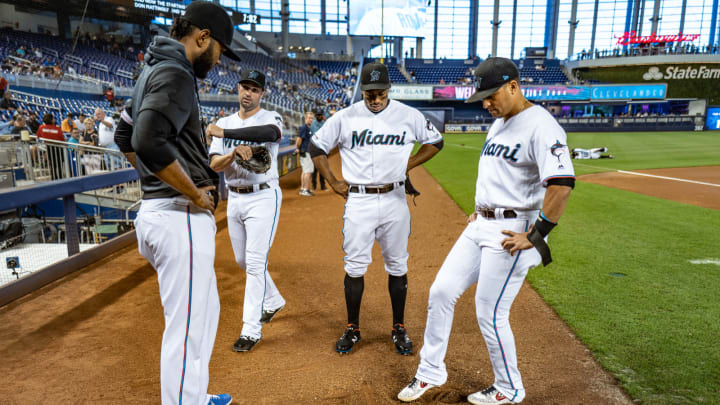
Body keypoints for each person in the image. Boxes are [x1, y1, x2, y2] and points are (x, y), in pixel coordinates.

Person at [397, 58, 575, 405]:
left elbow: (562, 184)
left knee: (490, 311)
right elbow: (501, 177)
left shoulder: (541, 125)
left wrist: (536, 235)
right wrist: (482, 209)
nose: (486, 103)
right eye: (483, 97)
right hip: (481, 224)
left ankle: (509, 388)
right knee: (441, 292)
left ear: (513, 86)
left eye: (492, 95)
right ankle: (431, 371)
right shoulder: (499, 123)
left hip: (513, 232)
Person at [111, 2, 240, 404]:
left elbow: (124, 135)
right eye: (219, 49)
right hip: (178, 215)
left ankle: (195, 396)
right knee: (186, 328)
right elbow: (146, 140)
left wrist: (154, 177)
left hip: (163, 213)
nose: (218, 61)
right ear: (202, 37)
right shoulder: (176, 73)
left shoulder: (153, 68)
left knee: (206, 312)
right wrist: (191, 191)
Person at [309, 62, 444, 355]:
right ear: (362, 90)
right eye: (369, 92)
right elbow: (316, 147)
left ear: (389, 89)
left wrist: (408, 164)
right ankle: (353, 328)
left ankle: (398, 327)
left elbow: (436, 141)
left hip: (395, 199)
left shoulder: (408, 115)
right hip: (358, 201)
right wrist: (332, 181)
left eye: (380, 92)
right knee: (355, 266)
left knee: (397, 265)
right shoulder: (346, 117)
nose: (374, 98)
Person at [205, 69, 286, 353]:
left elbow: (270, 134)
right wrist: (233, 152)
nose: (248, 92)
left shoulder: (270, 117)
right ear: (238, 88)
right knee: (242, 259)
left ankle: (251, 330)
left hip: (263, 196)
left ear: (262, 94)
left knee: (254, 262)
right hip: (235, 198)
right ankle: (274, 299)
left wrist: (226, 134)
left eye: (254, 89)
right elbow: (214, 164)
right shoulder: (223, 121)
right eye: (245, 87)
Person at [36, 113, 66, 180]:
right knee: (59, 164)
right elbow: (62, 139)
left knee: (52, 165)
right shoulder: (57, 128)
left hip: (49, 148)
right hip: (58, 148)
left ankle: (53, 178)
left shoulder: (41, 127)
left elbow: (38, 136)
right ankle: (60, 177)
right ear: (52, 120)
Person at [295, 111, 315, 196]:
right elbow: (299, 140)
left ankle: (303, 188)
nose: (311, 120)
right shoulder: (304, 128)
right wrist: (298, 148)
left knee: (305, 171)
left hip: (305, 151)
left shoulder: (307, 128)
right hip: (305, 151)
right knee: (308, 170)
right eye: (309, 118)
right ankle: (305, 189)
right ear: (305, 118)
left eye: (312, 118)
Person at [310, 111, 327, 191]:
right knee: (314, 168)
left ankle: (323, 185)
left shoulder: (324, 123)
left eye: (320, 115)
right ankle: (314, 185)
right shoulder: (313, 124)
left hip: (323, 147)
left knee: (323, 168)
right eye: (318, 115)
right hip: (314, 147)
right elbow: (313, 134)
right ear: (316, 116)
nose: (319, 116)